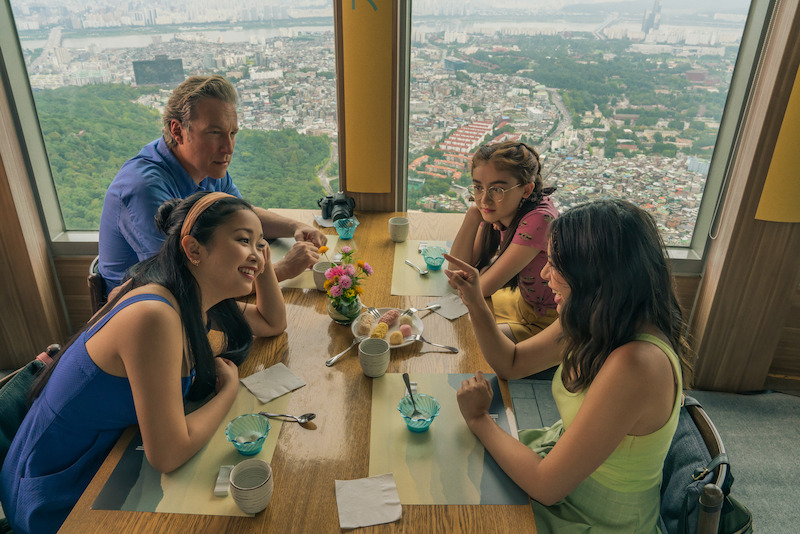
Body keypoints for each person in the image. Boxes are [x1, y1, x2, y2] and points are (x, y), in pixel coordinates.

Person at [1, 192, 287, 534]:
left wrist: (260, 260)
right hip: (59, 496)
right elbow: (167, 454)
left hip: (105, 456)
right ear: (194, 249)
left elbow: (272, 323)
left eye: (260, 244)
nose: (256, 253)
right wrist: (228, 391)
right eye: (243, 240)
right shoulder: (154, 315)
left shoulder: (192, 295)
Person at [444, 199, 694, 533]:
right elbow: (512, 362)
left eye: (556, 264)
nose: (545, 274)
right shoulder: (593, 314)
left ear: (593, 274)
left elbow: (547, 486)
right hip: (561, 472)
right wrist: (475, 301)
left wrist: (479, 419)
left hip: (591, 516)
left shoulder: (637, 365)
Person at [99, 74, 326, 296]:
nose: (228, 148)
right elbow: (179, 287)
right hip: (144, 315)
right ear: (177, 131)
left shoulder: (208, 166)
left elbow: (243, 216)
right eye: (215, 133)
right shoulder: (144, 189)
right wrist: (282, 269)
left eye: (232, 133)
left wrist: (295, 227)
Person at [448, 141, 558, 343]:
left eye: (497, 189)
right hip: (522, 303)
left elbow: (481, 289)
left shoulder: (539, 220)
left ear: (526, 190)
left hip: (548, 322)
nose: (484, 200)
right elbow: (456, 269)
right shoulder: (501, 210)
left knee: (471, 339)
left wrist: (479, 277)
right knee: (456, 327)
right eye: (478, 187)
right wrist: (474, 214)